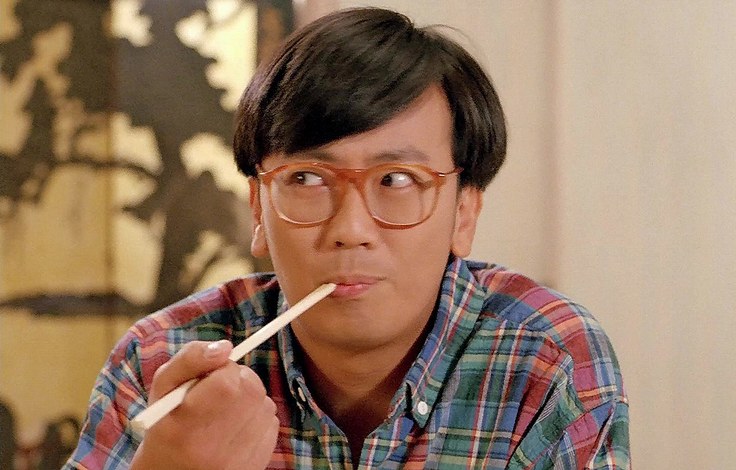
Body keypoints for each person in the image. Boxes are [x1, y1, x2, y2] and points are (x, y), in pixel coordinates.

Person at [64, 7, 629, 470]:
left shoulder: (542, 359)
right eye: (307, 180)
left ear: (464, 212)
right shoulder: (159, 362)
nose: (350, 231)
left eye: (397, 180)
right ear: (258, 207)